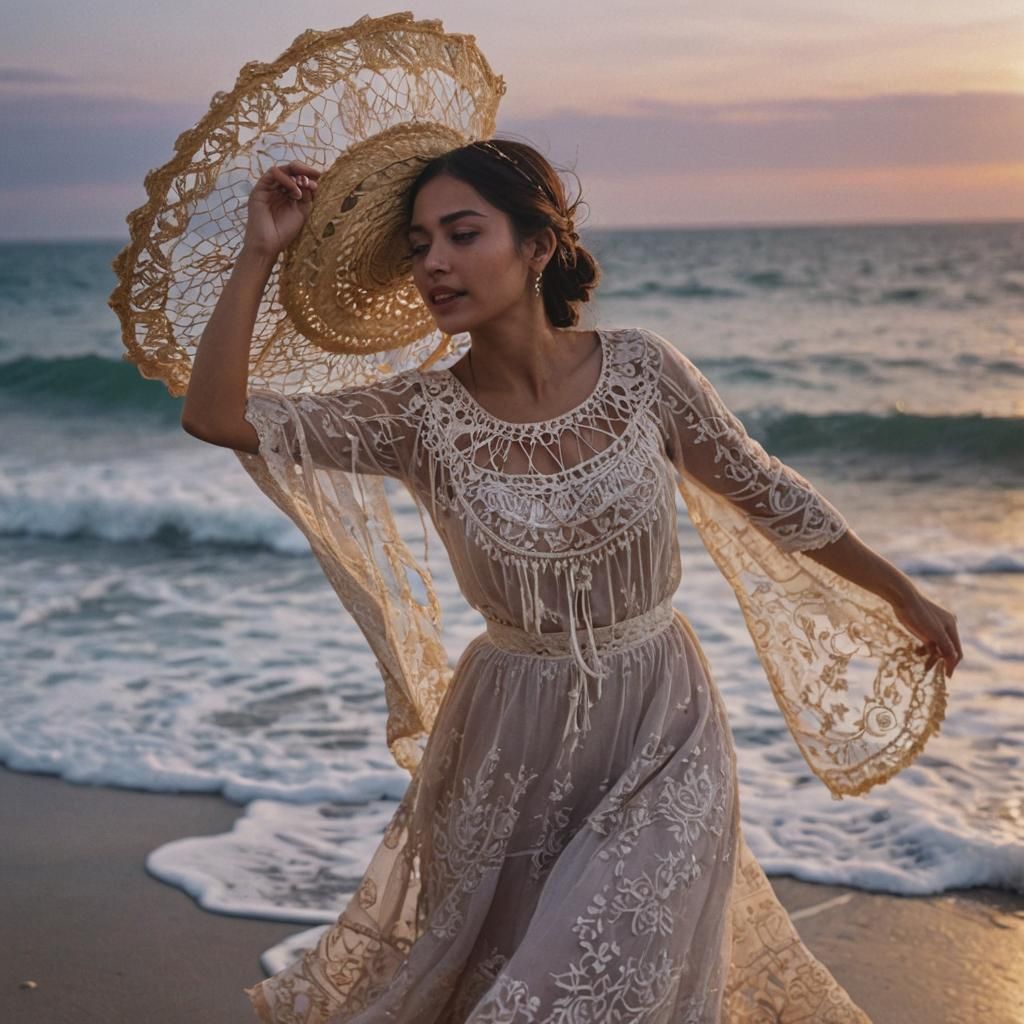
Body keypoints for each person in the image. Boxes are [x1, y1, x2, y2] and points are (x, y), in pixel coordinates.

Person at [181, 140, 961, 1022]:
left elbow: (768, 492)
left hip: (664, 722)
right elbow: (217, 416)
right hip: (511, 739)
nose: (434, 262)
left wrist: (901, 591)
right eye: (417, 245)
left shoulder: (641, 370)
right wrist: (259, 253)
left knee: (612, 969)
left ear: (538, 246)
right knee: (514, 984)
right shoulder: (416, 416)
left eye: (461, 233)